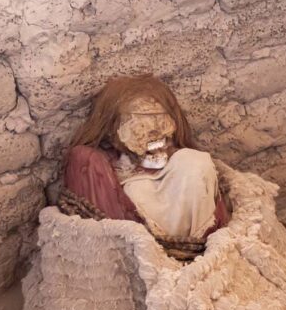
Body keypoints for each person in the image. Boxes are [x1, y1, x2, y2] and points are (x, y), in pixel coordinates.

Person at [61, 75, 230, 243]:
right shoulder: (95, 162)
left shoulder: (184, 160)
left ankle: (192, 240)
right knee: (138, 188)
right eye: (140, 126)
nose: (154, 132)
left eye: (161, 122)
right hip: (138, 242)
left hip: (197, 243)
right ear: (112, 130)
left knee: (195, 162)